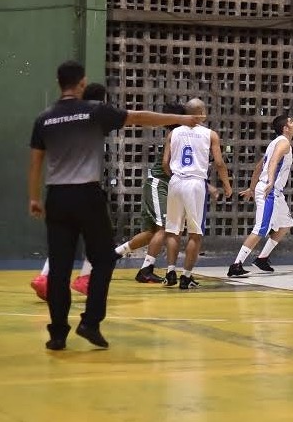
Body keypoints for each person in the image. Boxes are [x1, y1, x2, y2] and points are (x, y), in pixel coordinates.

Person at [28, 60, 202, 350]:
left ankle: (57, 334)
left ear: (60, 83)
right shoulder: (94, 111)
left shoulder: (44, 118)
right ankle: (90, 322)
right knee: (105, 259)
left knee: (59, 267)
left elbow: (36, 160)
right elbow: (140, 117)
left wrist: (34, 197)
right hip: (87, 195)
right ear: (82, 83)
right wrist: (180, 119)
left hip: (56, 197)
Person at [30, 82, 109, 301]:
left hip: (59, 190)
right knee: (99, 241)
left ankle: (45, 277)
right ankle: (85, 277)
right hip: (84, 188)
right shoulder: (96, 116)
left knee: (62, 242)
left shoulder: (65, 116)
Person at [112, 101, 188, 283]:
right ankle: (146, 269)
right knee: (163, 228)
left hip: (159, 184)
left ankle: (114, 254)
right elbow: (165, 164)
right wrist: (177, 179)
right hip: (159, 183)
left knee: (151, 233)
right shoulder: (176, 135)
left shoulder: (177, 134)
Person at [161, 98, 232, 289]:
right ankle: (186, 276)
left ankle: (170, 272)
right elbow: (218, 163)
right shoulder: (210, 134)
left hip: (176, 180)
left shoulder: (173, 132)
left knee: (173, 230)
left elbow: (165, 163)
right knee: (195, 232)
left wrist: (175, 176)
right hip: (195, 183)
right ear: (201, 113)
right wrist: (227, 185)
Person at [228, 114, 293, 277]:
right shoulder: (283, 143)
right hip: (270, 190)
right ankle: (236, 265)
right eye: (291, 122)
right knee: (261, 228)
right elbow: (273, 162)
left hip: (272, 191)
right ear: (285, 128)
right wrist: (270, 181)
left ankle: (262, 258)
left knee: (285, 225)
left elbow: (259, 167)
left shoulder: (274, 143)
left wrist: (252, 188)